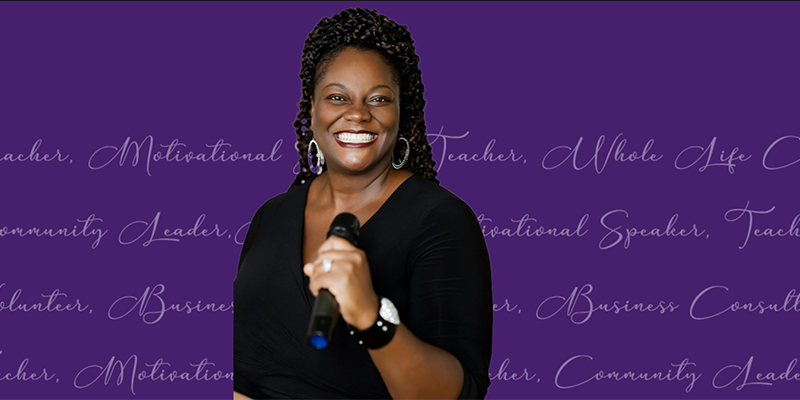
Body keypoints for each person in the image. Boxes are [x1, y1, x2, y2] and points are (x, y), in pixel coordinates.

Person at [233, 8, 493, 400]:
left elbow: (459, 393)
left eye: (379, 99)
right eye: (337, 97)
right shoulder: (270, 216)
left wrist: (371, 315)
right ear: (313, 110)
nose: (357, 114)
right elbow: (246, 372)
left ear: (401, 114)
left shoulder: (440, 220)